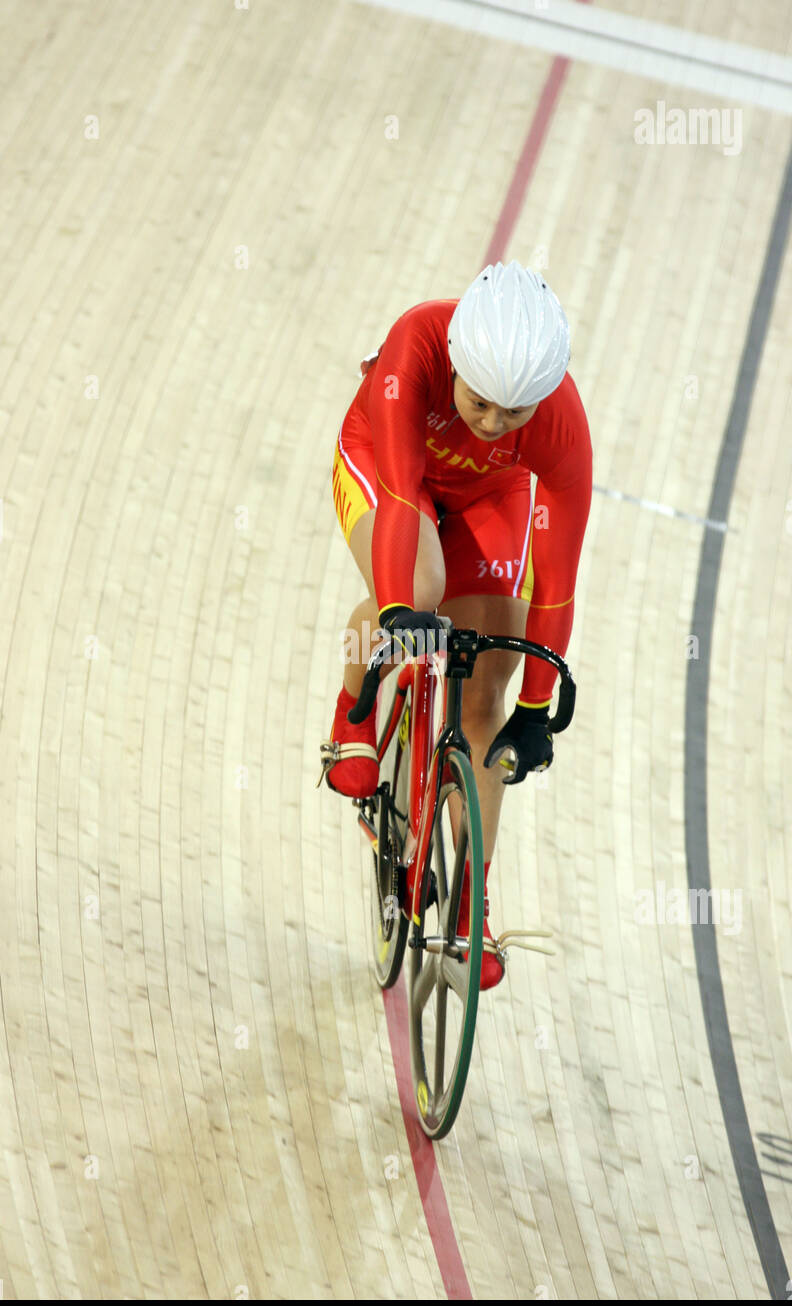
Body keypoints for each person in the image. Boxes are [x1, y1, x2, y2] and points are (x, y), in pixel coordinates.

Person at [321, 261, 592, 989]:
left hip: (487, 495)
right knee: (422, 585)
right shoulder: (417, 344)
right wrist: (398, 611)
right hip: (387, 462)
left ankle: (472, 903)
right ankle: (353, 715)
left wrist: (535, 709)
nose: (497, 422)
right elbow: (405, 497)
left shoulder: (560, 424)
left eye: (514, 414)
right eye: (481, 404)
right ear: (458, 367)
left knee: (489, 691)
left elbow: (557, 585)